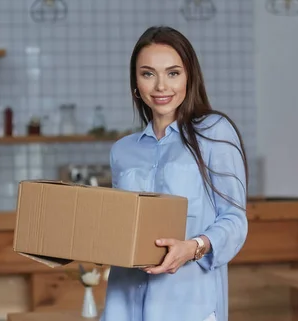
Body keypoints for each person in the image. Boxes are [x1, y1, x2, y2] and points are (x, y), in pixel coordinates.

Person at [100, 26, 249, 321]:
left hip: (189, 305)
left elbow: (235, 220)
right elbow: (122, 227)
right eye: (148, 74)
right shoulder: (122, 150)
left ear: (189, 78)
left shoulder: (216, 133)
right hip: (124, 306)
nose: (160, 86)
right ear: (135, 85)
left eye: (172, 73)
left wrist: (193, 248)